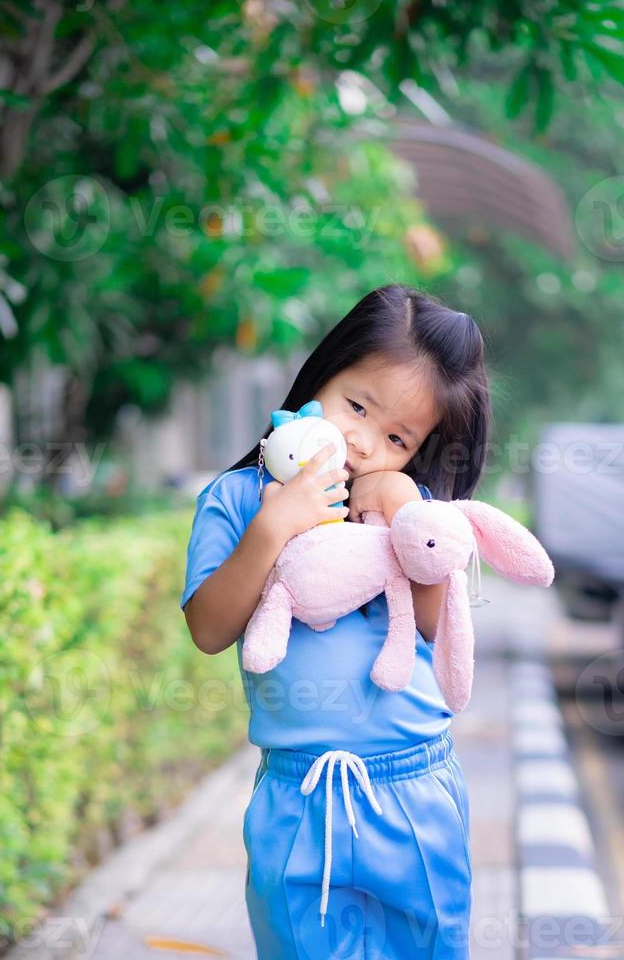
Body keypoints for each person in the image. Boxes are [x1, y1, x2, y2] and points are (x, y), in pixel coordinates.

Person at [180, 283, 491, 959]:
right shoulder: (237, 499)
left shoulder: (416, 510)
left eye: (396, 437)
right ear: (320, 373)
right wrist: (273, 527)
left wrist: (409, 513)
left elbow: (442, 628)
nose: (361, 441)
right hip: (299, 799)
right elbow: (208, 629)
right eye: (356, 405)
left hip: (415, 790)